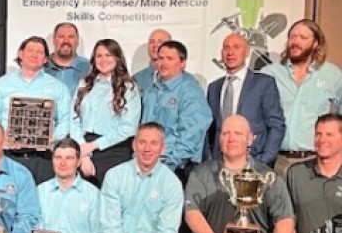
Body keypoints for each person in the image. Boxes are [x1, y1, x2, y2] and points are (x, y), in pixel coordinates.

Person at [0, 36, 72, 184]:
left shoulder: (58, 87)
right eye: (30, 50)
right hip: (8, 155)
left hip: (42, 157)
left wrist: (52, 138)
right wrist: (2, 138)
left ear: (45, 59)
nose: (34, 54)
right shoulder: (1, 84)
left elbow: (65, 120)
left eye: (39, 52)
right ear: (20, 54)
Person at [261, 19, 342, 175]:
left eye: (303, 38)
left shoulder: (332, 75)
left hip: (313, 161)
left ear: (315, 43)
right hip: (276, 161)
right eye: (292, 37)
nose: (295, 42)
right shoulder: (270, 73)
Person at [205, 33, 285, 167]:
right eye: (226, 48)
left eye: (236, 47)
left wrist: (264, 160)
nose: (230, 52)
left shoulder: (263, 84)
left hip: (253, 162)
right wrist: (209, 159)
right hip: (219, 164)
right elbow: (210, 130)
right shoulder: (214, 87)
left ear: (247, 52)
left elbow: (276, 124)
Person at [70, 39, 140, 186]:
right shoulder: (85, 84)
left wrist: (94, 146)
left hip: (114, 149)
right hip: (83, 148)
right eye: (99, 56)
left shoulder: (128, 88)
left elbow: (128, 127)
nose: (103, 60)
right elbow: (73, 119)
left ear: (117, 58)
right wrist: (83, 153)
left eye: (108, 55)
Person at [140, 40, 212, 181]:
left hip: (175, 167)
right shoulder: (150, 91)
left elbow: (191, 136)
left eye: (170, 59)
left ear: (182, 63)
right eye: (160, 58)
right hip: (147, 163)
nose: (163, 63)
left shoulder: (190, 92)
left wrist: (168, 165)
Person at [45, 22, 91, 96]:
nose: (66, 41)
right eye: (61, 36)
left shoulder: (89, 68)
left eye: (71, 37)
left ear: (77, 41)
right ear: (54, 40)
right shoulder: (41, 66)